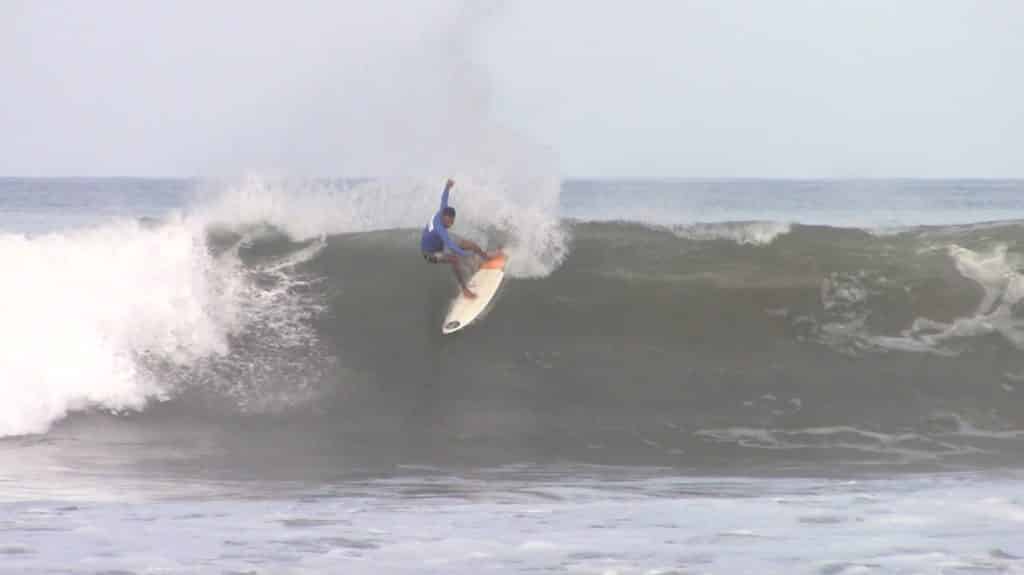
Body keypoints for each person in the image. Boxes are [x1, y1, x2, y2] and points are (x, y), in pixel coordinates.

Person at [421, 178, 489, 299]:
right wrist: (466, 254)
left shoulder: (443, 210)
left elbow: (443, 199)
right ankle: (464, 289)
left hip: (440, 242)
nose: (450, 224)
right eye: (448, 222)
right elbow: (451, 246)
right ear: (444, 218)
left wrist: (447, 187)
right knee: (454, 259)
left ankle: (486, 258)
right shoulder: (439, 228)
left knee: (470, 244)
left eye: (452, 222)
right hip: (430, 253)